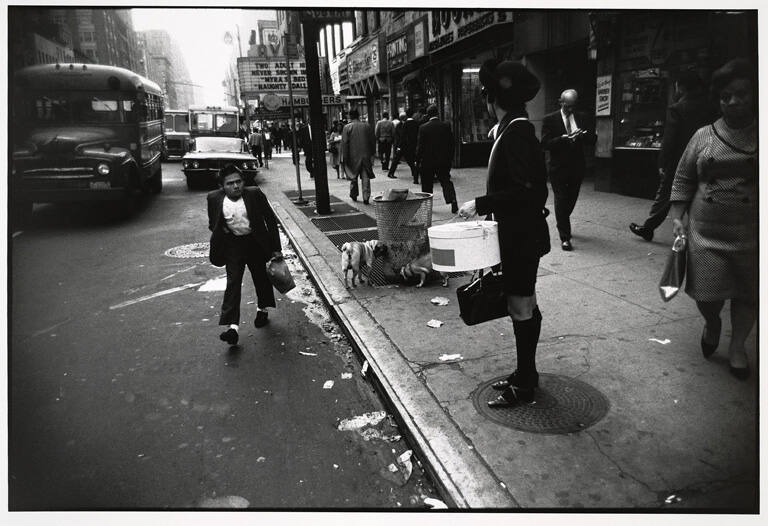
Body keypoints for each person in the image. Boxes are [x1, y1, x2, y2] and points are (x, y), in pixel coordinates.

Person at [457, 59, 550, 408]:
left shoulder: (518, 134)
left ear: (490, 98)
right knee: (524, 304)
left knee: (521, 307)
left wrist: (480, 203)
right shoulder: (512, 131)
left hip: (521, 239)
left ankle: (525, 383)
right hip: (517, 236)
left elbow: (530, 192)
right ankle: (526, 373)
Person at [668, 58, 757, 379]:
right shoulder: (703, 136)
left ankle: (738, 348)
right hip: (706, 232)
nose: (733, 102)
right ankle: (713, 323)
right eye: (725, 96)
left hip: (752, 233)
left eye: (741, 94)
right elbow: (682, 179)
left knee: (749, 294)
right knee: (707, 294)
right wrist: (678, 217)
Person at [630, 70, 712, 241]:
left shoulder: (677, 109)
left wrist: (663, 162)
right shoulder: (709, 106)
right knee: (700, 192)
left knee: (666, 193)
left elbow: (670, 139)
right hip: (705, 156)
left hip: (679, 161)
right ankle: (699, 231)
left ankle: (649, 227)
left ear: (681, 88)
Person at [207, 164, 283, 345]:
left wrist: (276, 248)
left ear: (244, 182)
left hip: (255, 242)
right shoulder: (214, 198)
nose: (236, 186)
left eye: (238, 181)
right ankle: (232, 327)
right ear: (222, 186)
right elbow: (213, 223)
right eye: (230, 183)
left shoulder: (254, 194)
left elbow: (270, 220)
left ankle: (262, 309)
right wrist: (225, 232)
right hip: (233, 245)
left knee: (260, 278)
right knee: (233, 282)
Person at [541, 89, 593, 251]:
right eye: (568, 106)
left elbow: (593, 139)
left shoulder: (582, 117)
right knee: (561, 199)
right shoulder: (550, 119)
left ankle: (562, 218)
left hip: (577, 166)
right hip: (558, 167)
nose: (571, 109)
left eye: (573, 106)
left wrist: (583, 135)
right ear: (561, 102)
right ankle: (565, 237)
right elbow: (545, 144)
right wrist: (562, 139)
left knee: (571, 199)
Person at [415, 104, 458, 213]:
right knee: (446, 182)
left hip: (427, 161)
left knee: (427, 184)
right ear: (437, 113)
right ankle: (453, 201)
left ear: (428, 115)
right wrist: (450, 158)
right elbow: (451, 144)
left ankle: (427, 206)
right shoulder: (445, 126)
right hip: (443, 161)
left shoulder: (423, 128)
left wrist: (417, 159)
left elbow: (420, 146)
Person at [340, 108, 376, 204]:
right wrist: (372, 154)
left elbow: (344, 144)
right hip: (365, 156)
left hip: (352, 157)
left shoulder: (347, 127)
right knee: (365, 177)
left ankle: (354, 194)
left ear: (350, 116)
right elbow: (372, 141)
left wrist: (344, 158)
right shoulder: (367, 126)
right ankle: (366, 197)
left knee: (353, 177)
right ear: (359, 115)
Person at [387, 108, 419, 183]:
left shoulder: (405, 124)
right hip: (412, 145)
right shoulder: (416, 123)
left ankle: (391, 173)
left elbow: (402, 136)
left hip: (403, 146)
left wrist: (399, 146)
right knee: (411, 162)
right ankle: (415, 177)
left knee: (396, 160)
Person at [386, 112, 408, 179]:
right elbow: (398, 136)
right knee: (396, 160)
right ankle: (390, 173)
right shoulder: (399, 125)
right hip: (400, 145)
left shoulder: (404, 124)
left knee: (410, 160)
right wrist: (398, 146)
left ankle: (414, 173)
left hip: (403, 145)